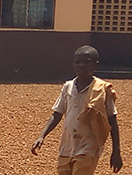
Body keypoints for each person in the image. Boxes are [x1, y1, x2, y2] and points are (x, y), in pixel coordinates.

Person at [31, 45, 123, 174]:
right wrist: (41, 136)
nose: (81, 65)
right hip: (67, 147)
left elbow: (112, 120)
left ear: (96, 65)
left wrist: (116, 151)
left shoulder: (102, 89)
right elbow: (57, 114)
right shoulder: (68, 87)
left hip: (88, 147)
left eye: (86, 62)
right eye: (77, 62)